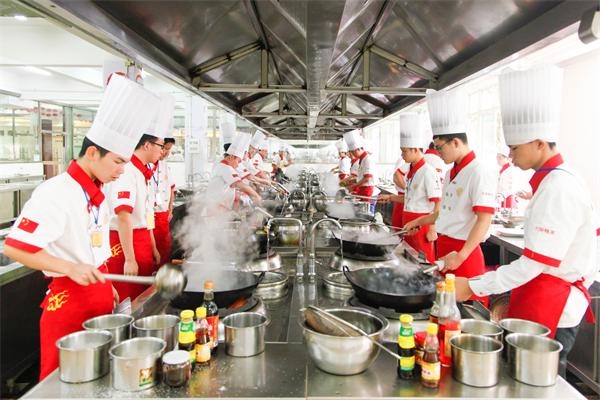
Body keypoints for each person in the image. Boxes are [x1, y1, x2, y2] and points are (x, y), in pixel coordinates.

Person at [2, 74, 160, 380]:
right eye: (117, 162)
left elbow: (91, 246)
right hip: (69, 302)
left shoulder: (96, 192)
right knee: (62, 381)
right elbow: (14, 248)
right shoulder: (56, 191)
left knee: (96, 378)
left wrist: (106, 285)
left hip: (98, 293)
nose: (121, 171)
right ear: (92, 153)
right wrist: (70, 267)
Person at [454, 65, 598, 377]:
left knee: (540, 383)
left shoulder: (559, 187)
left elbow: (533, 265)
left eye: (515, 148)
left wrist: (472, 286)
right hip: (539, 295)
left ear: (540, 143)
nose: (510, 155)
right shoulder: (556, 180)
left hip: (552, 306)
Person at [403, 88, 497, 305]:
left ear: (456, 142)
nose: (437, 153)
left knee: (465, 310)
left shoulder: (479, 171)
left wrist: (461, 255)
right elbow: (444, 212)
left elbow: (484, 219)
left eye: (440, 147)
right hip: (445, 250)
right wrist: (420, 221)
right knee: (443, 307)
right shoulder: (450, 173)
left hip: (464, 253)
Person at [104, 93, 174, 301]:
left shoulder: (142, 172)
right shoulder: (127, 172)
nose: (162, 152)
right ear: (146, 145)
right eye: (161, 146)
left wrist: (152, 246)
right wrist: (129, 258)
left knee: (143, 297)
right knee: (130, 300)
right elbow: (123, 217)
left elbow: (146, 214)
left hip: (142, 240)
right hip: (127, 244)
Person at [380, 113, 441, 262]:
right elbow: (411, 199)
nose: (402, 155)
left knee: (423, 262)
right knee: (409, 260)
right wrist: (391, 197)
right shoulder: (411, 171)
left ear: (415, 149)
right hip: (409, 223)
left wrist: (432, 228)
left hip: (422, 225)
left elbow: (438, 202)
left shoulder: (428, 171)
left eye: (404, 151)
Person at [207, 133, 262, 210]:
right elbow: (240, 185)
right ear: (231, 157)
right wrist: (256, 196)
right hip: (216, 208)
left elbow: (229, 187)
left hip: (220, 205)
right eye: (238, 161)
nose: (238, 165)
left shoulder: (224, 166)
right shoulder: (225, 168)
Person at [152, 132, 176, 267]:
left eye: (169, 150)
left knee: (164, 248)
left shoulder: (165, 166)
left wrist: (170, 209)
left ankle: (163, 274)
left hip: (163, 215)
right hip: (150, 215)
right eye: (165, 148)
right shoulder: (147, 165)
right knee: (151, 252)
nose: (166, 152)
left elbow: (171, 189)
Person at [344, 129, 377, 199]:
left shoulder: (368, 159)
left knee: (364, 205)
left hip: (367, 189)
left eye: (353, 152)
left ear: (358, 149)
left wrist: (354, 186)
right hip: (362, 188)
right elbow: (361, 177)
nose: (352, 154)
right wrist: (351, 181)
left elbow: (367, 178)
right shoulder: (362, 159)